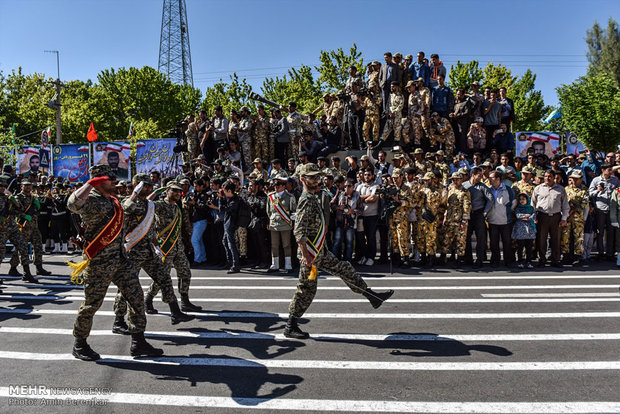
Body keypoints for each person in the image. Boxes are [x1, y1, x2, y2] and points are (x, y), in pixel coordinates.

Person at [283, 163, 394, 339]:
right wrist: (305, 255)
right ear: (303, 179)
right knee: (306, 288)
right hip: (310, 255)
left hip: (320, 251)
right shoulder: (306, 199)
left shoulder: (313, 196)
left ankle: (371, 296)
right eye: (312, 177)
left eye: (317, 176)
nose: (316, 180)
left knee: (344, 268)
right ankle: (291, 325)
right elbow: (299, 230)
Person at [67, 165, 162, 361]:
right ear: (98, 180)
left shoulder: (113, 199)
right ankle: (80, 344)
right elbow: (72, 205)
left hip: (120, 259)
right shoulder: (90, 200)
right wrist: (89, 183)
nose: (114, 181)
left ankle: (138, 342)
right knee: (92, 304)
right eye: (109, 178)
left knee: (136, 297)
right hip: (99, 263)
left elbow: (130, 209)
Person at [113, 175, 196, 333]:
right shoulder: (128, 200)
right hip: (133, 252)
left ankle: (175, 312)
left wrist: (156, 245)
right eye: (146, 186)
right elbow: (127, 208)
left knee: (164, 278)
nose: (149, 188)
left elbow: (150, 228)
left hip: (149, 251)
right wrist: (135, 193)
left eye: (151, 186)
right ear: (138, 186)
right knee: (126, 288)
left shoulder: (149, 204)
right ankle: (118, 320)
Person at [8, 180, 51, 277]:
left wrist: (38, 205)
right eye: (26, 185)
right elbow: (13, 211)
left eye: (30, 185)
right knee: (21, 248)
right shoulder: (18, 197)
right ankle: (13, 268)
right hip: (24, 226)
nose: (28, 187)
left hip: (34, 226)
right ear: (21, 187)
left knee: (38, 246)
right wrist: (23, 216)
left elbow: (36, 210)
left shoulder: (33, 197)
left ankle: (39, 267)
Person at [0, 179, 37, 283]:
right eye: (0, 186)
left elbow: (18, 210)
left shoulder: (7, 197)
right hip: (2, 229)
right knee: (0, 252)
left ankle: (27, 273)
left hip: (12, 226)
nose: (2, 187)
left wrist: (15, 203)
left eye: (4, 186)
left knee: (23, 246)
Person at [532, 170, 570, 267]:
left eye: (550, 176)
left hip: (556, 217)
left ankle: (555, 259)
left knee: (556, 239)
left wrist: (564, 218)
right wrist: (533, 217)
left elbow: (565, 205)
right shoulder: (538, 188)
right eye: (545, 176)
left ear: (554, 177)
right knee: (541, 239)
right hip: (542, 216)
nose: (547, 178)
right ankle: (542, 259)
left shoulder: (560, 189)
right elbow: (533, 204)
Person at [485, 170, 516, 267]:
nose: (489, 179)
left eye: (492, 177)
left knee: (507, 242)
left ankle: (508, 260)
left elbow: (513, 203)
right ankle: (495, 260)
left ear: (498, 179)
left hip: (505, 221)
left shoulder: (508, 189)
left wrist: (506, 212)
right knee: (494, 243)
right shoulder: (488, 189)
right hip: (492, 220)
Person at [588, 162, 619, 260]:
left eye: (611, 170)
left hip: (612, 209)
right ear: (603, 170)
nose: (611, 172)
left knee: (611, 232)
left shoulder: (615, 180)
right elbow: (589, 193)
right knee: (600, 231)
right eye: (609, 170)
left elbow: (619, 191)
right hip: (600, 209)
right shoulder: (596, 180)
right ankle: (600, 252)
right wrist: (597, 190)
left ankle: (610, 253)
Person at [266, 178, 297, 272]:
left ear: (283, 186)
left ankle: (288, 264)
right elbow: (268, 211)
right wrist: (269, 221)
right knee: (274, 245)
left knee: (286, 244)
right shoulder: (271, 196)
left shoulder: (290, 197)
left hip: (285, 223)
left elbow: (293, 211)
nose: (276, 188)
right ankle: (275, 264)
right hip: (274, 224)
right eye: (275, 186)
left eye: (278, 186)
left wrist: (293, 223)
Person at [463, 167, 490, 268]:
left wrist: (485, 212)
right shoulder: (464, 185)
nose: (482, 177)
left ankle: (479, 259)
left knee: (481, 238)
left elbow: (490, 200)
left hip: (479, 213)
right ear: (473, 175)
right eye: (480, 175)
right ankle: (467, 259)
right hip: (467, 214)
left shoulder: (483, 187)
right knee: (466, 237)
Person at [561, 170, 589, 266]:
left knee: (579, 237)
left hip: (578, 217)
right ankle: (565, 255)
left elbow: (585, 204)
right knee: (565, 236)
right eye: (572, 179)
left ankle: (578, 256)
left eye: (576, 179)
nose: (574, 181)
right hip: (567, 217)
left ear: (580, 179)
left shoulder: (584, 190)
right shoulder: (566, 189)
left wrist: (574, 209)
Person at [357, 167, 380, 266]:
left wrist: (363, 198)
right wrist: (367, 197)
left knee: (371, 237)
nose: (366, 176)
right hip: (361, 216)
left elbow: (373, 199)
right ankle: (364, 256)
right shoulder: (360, 186)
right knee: (361, 238)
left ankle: (371, 257)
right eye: (365, 175)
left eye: (368, 175)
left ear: (373, 176)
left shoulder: (376, 186)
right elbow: (357, 197)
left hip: (372, 216)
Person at [512, 193, 536, 268]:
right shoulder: (518, 208)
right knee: (520, 247)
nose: (522, 201)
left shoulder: (531, 208)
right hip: (520, 230)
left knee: (529, 247)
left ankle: (528, 261)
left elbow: (533, 216)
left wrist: (526, 217)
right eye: (520, 199)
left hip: (529, 230)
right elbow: (518, 216)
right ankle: (520, 261)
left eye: (523, 199)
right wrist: (527, 216)